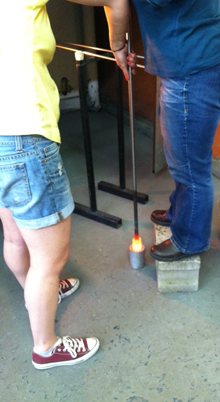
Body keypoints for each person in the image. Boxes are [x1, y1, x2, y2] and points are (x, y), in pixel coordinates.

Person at [0, 0, 131, 369]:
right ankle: (46, 347)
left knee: (14, 236)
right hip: (25, 134)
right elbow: (115, 1)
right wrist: (119, 47)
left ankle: (38, 290)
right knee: (50, 257)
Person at [117, 0, 220, 261]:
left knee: (189, 164)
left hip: (196, 67)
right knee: (180, 155)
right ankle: (180, 212)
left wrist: (116, 40)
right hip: (190, 62)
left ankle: (190, 241)